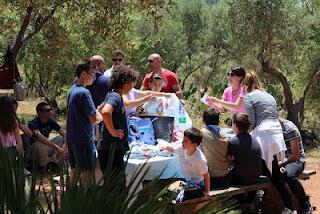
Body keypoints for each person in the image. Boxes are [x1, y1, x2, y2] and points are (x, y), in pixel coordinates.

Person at [243, 70, 295, 214]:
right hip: (276, 135)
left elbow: (252, 121)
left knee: (272, 174)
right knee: (268, 170)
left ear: (245, 85)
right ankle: (251, 201)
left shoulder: (248, 97)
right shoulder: (269, 96)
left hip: (263, 136)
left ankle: (289, 207)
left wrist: (241, 135)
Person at [97, 65, 138, 186]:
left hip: (111, 148)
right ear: (125, 83)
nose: (132, 87)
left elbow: (99, 109)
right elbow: (105, 112)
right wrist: (113, 131)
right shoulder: (115, 97)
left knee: (113, 186)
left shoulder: (112, 94)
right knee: (116, 188)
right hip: (111, 149)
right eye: (131, 83)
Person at [66, 59, 102, 187]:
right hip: (83, 138)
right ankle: (85, 200)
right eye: (92, 73)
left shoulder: (72, 90)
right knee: (87, 171)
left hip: (72, 137)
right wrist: (102, 113)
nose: (94, 77)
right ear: (83, 74)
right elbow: (94, 119)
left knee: (75, 169)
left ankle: (69, 197)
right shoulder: (84, 93)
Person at [161, 127, 210, 196]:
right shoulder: (182, 148)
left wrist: (206, 192)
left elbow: (206, 175)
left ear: (194, 145)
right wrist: (165, 148)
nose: (182, 142)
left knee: (178, 196)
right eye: (183, 139)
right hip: (187, 181)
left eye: (185, 141)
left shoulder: (199, 159)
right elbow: (174, 150)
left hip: (198, 184)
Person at [279, 118, 312, 214]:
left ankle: (305, 203)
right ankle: (288, 206)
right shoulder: (271, 130)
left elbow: (295, 155)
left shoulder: (289, 128)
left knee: (289, 174)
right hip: (282, 161)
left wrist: (281, 163)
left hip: (297, 161)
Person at [199, 108, 232, 188]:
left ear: (203, 120)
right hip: (226, 177)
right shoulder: (225, 135)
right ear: (218, 121)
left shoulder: (201, 134)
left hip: (209, 179)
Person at [28, 102, 65, 170]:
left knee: (61, 138)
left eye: (51, 109)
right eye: (48, 110)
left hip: (46, 148)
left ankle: (54, 162)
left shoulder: (50, 121)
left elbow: (63, 133)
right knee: (42, 144)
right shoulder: (34, 123)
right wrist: (56, 146)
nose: (50, 112)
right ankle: (43, 166)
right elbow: (40, 138)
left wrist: (63, 145)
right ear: (40, 113)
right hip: (33, 150)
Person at [228, 113, 262, 185]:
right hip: (255, 177)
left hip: (241, 179)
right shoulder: (255, 140)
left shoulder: (233, 142)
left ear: (236, 125)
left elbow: (228, 160)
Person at [10, 97, 33, 175]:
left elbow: (30, 133)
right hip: (6, 144)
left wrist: (18, 123)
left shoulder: (18, 119)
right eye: (11, 109)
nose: (13, 111)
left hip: (14, 141)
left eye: (15, 109)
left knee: (26, 138)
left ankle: (22, 167)